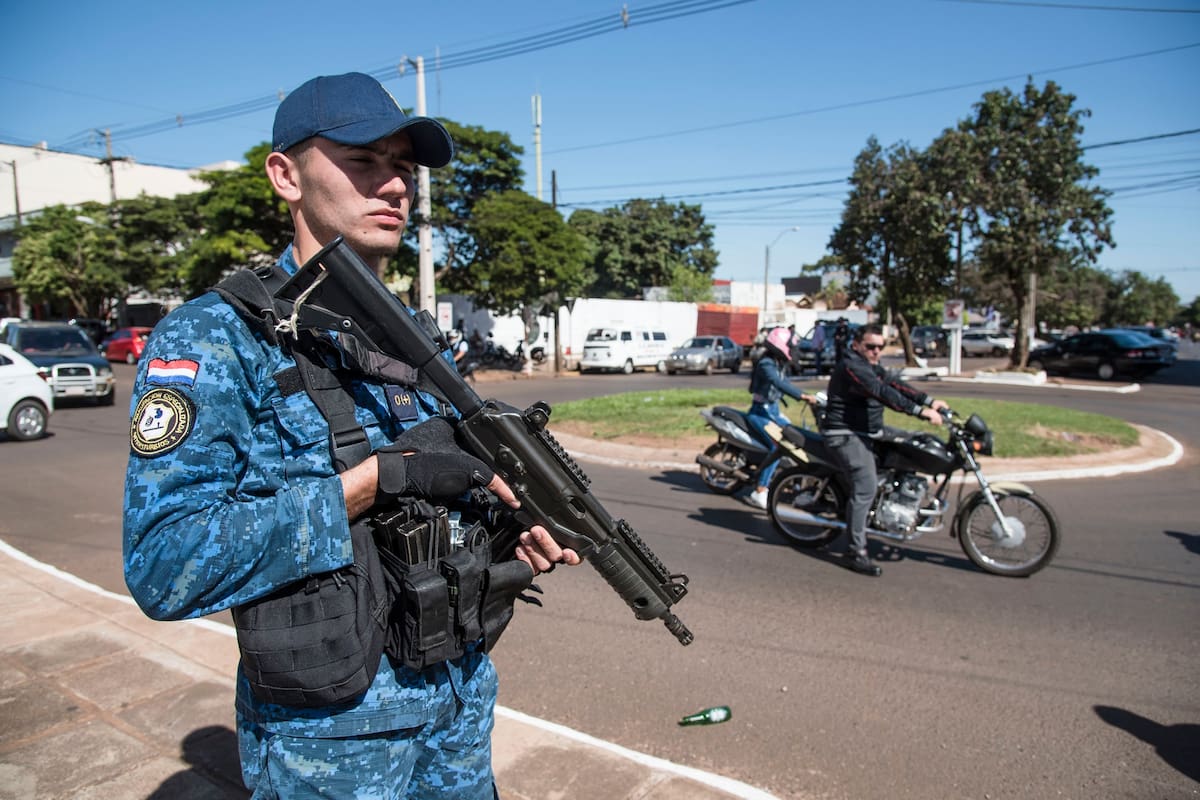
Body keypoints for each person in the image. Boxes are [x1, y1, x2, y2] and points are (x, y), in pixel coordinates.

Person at [122, 72, 580, 799]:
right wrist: (372, 481)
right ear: (286, 176)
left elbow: (434, 501)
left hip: (457, 706)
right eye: (363, 162)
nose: (395, 186)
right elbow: (163, 564)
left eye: (402, 167)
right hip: (330, 742)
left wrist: (502, 524)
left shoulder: (416, 335)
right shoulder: (217, 338)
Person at [821, 324, 947, 577]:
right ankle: (855, 553)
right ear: (857, 345)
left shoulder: (870, 365)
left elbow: (892, 382)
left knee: (913, 444)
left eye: (881, 346)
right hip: (844, 433)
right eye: (871, 346)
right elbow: (880, 392)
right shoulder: (852, 366)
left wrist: (928, 401)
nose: (876, 351)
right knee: (865, 486)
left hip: (869, 430)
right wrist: (919, 412)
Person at [744, 326, 818, 510]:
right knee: (777, 445)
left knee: (798, 439)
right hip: (760, 412)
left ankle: (796, 486)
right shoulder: (766, 364)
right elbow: (777, 382)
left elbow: (785, 382)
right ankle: (760, 490)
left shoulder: (778, 363)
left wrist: (806, 395)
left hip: (773, 411)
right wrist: (801, 396)